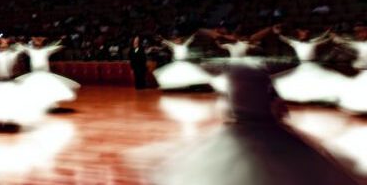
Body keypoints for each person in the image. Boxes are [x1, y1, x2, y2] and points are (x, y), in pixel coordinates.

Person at [152, 66, 360, 185]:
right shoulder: (260, 86)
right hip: (265, 133)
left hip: (246, 132)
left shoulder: (233, 88)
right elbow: (278, 112)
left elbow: (228, 113)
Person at [272, 29, 346, 104]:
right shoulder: (296, 43)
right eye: (301, 34)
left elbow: (322, 38)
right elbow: (285, 39)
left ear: (308, 35)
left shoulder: (313, 41)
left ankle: (319, 98)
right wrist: (278, 34)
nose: (303, 35)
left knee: (318, 81)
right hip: (302, 66)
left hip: (312, 65)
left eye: (305, 33)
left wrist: (330, 35)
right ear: (299, 35)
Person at [15, 37, 79, 109]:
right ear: (33, 42)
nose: (37, 42)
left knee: (47, 90)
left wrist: (61, 39)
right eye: (36, 41)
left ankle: (48, 104)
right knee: (35, 90)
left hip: (45, 74)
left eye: (39, 41)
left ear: (42, 43)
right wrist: (18, 40)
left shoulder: (46, 50)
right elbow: (21, 46)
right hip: (35, 74)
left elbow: (56, 46)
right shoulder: (30, 50)